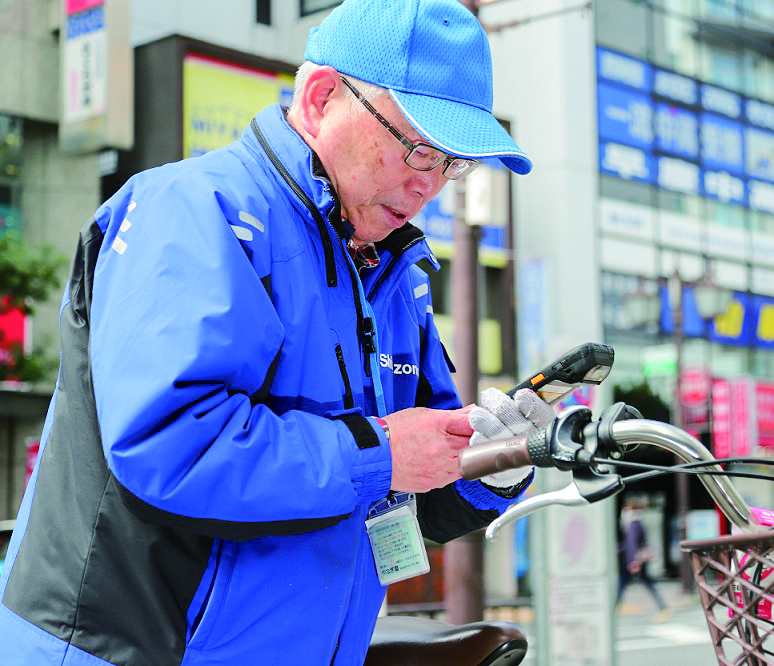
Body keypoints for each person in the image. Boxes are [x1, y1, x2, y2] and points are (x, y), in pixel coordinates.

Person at [0, 1, 553, 664]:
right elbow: (167, 444)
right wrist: (380, 452)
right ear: (321, 97)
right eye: (417, 148)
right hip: (129, 649)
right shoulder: (194, 209)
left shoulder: (393, 271)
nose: (427, 183)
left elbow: (405, 499)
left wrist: (487, 467)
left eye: (452, 163)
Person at [617, 499, 671, 621]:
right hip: (636, 561)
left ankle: (663, 608)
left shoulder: (632, 524)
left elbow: (632, 544)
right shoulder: (637, 522)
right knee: (631, 584)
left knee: (623, 585)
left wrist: (632, 561)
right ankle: (663, 607)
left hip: (632, 561)